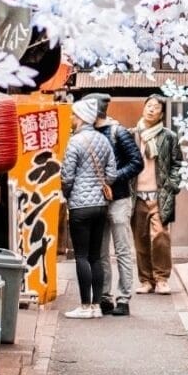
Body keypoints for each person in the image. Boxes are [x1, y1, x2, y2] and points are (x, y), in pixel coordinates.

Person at [60, 97, 117, 319]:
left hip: (81, 207)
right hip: (101, 206)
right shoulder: (104, 141)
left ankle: (84, 306)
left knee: (81, 256)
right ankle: (95, 306)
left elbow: (67, 176)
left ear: (81, 117)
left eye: (74, 115)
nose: (72, 118)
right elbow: (111, 174)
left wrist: (67, 193)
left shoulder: (75, 142)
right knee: (96, 256)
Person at [92, 94, 144, 317]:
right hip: (97, 199)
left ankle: (124, 297)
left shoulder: (118, 132)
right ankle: (105, 296)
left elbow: (137, 162)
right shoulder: (87, 133)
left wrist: (114, 177)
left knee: (122, 249)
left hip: (120, 198)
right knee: (101, 250)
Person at [132, 93, 183, 295]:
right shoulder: (132, 135)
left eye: (156, 107)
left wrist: (172, 184)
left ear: (162, 113)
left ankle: (162, 278)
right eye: (149, 105)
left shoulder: (169, 136)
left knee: (160, 236)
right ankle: (146, 280)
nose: (151, 109)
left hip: (160, 194)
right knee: (141, 239)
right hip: (136, 195)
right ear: (144, 107)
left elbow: (177, 163)